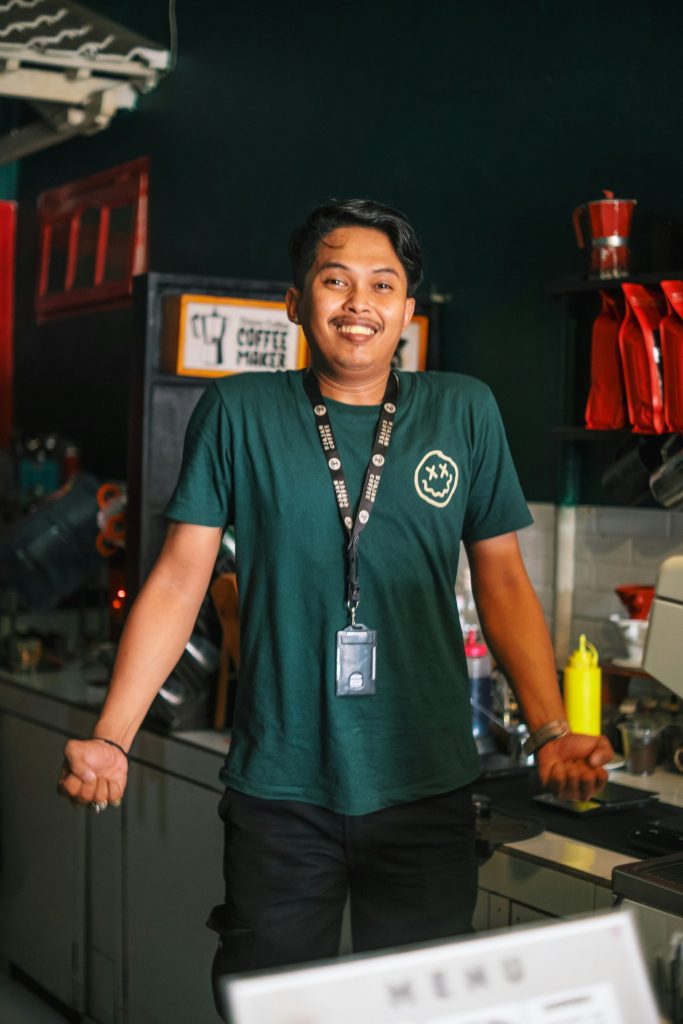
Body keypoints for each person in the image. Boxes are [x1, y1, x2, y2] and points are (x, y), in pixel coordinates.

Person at [58, 198, 613, 1010]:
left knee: (419, 1009)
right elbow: (179, 579)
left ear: (407, 311)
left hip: (425, 784)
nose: (359, 303)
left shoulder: (462, 410)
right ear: (295, 301)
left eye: (382, 285)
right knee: (273, 1006)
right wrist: (114, 735)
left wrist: (550, 730)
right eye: (335, 280)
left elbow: (501, 581)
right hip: (282, 790)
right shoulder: (238, 412)